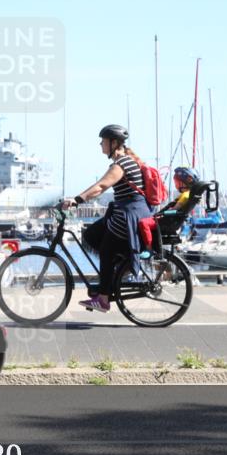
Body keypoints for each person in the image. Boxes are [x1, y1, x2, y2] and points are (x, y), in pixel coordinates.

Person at [59, 124, 153, 313]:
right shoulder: (126, 161)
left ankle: (103, 298)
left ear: (113, 143)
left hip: (128, 215)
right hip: (128, 212)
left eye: (103, 141)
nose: (100, 144)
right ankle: (115, 274)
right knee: (91, 234)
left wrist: (76, 200)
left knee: (106, 250)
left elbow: (101, 186)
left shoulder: (121, 164)